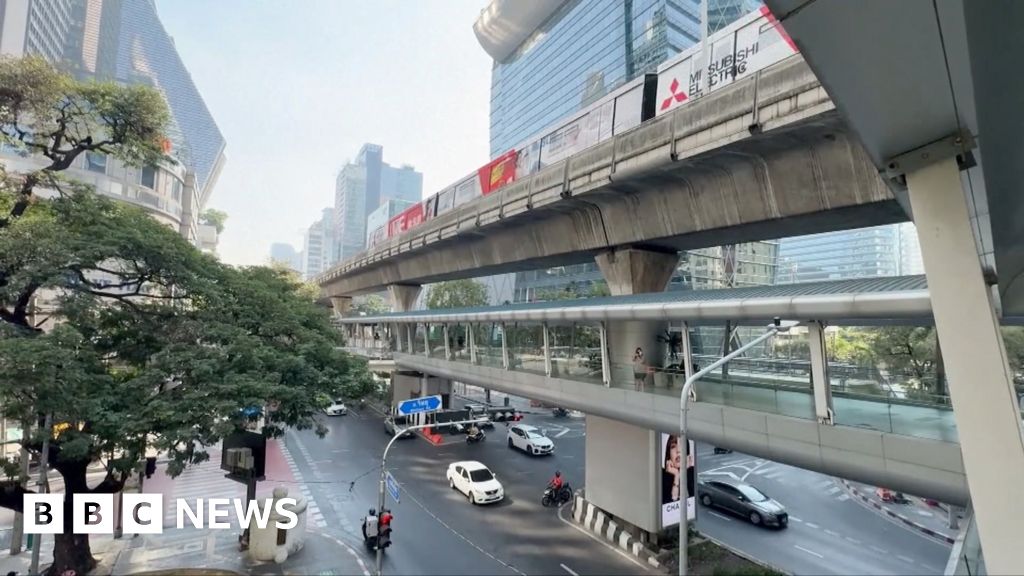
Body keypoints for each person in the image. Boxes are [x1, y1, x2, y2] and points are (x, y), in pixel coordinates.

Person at [662, 436, 682, 504]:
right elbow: (673, 501)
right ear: (668, 454)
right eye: (673, 447)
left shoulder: (691, 473)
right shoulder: (661, 476)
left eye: (682, 444)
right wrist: (676, 476)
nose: (678, 450)